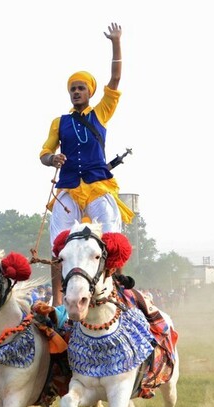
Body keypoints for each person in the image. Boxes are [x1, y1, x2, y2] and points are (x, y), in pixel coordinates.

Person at [40, 22, 133, 305]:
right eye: (73, 89)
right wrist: (52, 159)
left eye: (81, 88)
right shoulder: (60, 122)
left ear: (89, 92)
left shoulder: (100, 113)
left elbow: (115, 79)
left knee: (112, 236)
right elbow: (44, 153)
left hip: (97, 185)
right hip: (68, 188)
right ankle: (58, 302)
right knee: (58, 242)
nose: (76, 92)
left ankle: (117, 289)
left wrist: (116, 43)